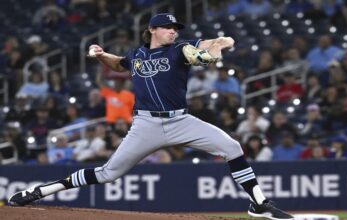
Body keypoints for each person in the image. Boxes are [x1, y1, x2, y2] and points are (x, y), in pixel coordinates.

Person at [8, 13, 293, 219]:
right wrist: (100, 54)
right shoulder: (137, 55)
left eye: (175, 28)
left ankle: (258, 203)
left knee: (232, 147)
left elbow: (208, 47)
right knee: (109, 173)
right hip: (145, 123)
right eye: (168, 27)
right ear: (153, 29)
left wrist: (222, 41)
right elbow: (120, 65)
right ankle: (42, 191)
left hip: (181, 121)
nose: (173, 31)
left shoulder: (180, 49)